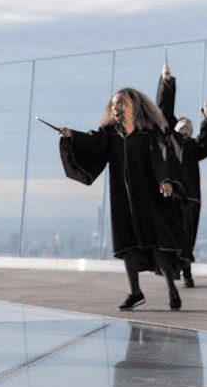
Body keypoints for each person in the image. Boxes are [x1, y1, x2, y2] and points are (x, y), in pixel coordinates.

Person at [58, 87, 187, 311]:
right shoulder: (109, 135)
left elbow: (158, 159)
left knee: (157, 245)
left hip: (148, 197)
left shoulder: (148, 134)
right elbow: (91, 142)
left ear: (133, 107)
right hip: (122, 199)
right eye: (114, 104)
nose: (116, 107)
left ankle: (171, 289)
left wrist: (164, 181)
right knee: (127, 246)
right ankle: (135, 293)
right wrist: (72, 135)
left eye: (121, 103)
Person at [156, 60, 207, 287]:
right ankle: (176, 271)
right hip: (172, 195)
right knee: (174, 233)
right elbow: (164, 112)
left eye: (189, 124)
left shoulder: (194, 147)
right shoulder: (168, 140)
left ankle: (186, 272)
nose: (185, 125)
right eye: (182, 123)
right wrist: (167, 82)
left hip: (190, 198)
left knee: (187, 235)